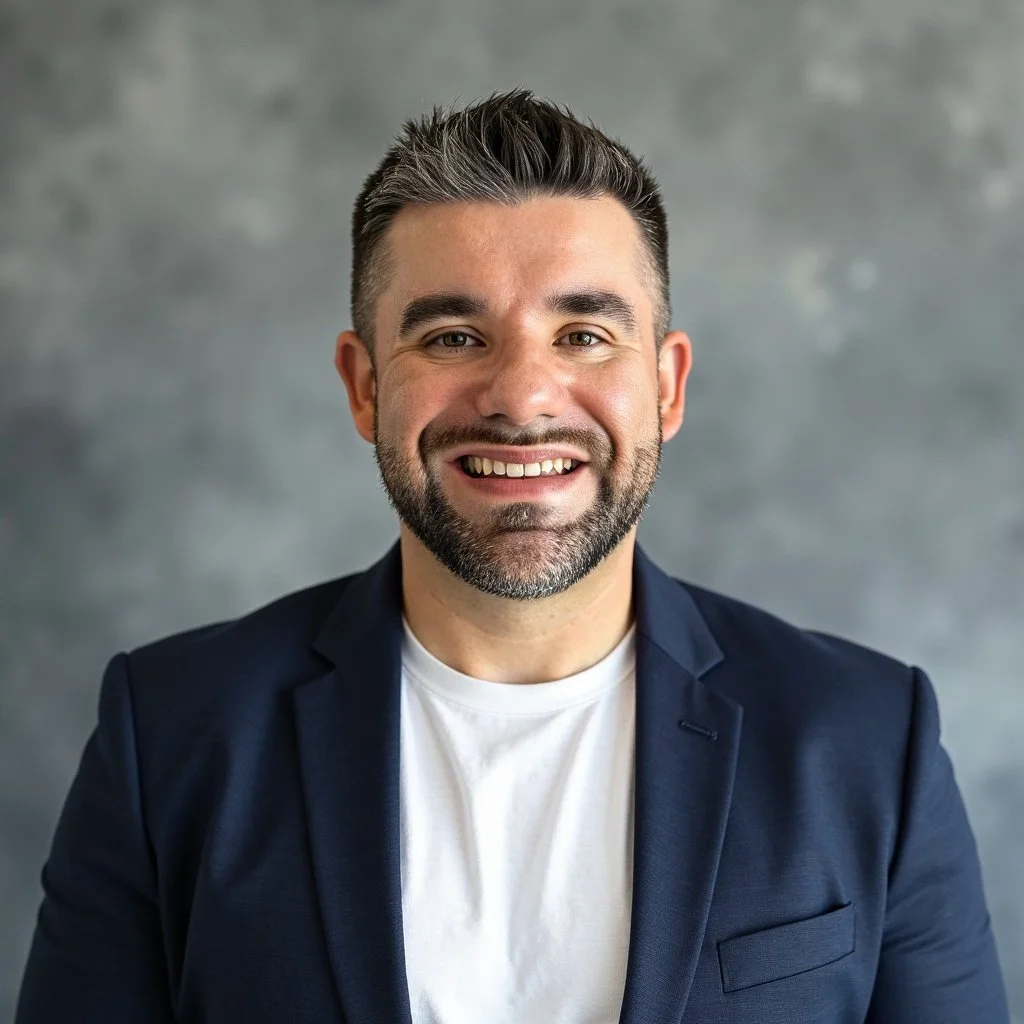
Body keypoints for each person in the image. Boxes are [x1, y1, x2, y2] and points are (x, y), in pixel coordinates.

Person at [16, 88, 1009, 1024]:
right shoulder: (174, 735)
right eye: (452, 336)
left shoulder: (870, 742)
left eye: (582, 333)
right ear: (364, 387)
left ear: (666, 387)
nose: (523, 396)